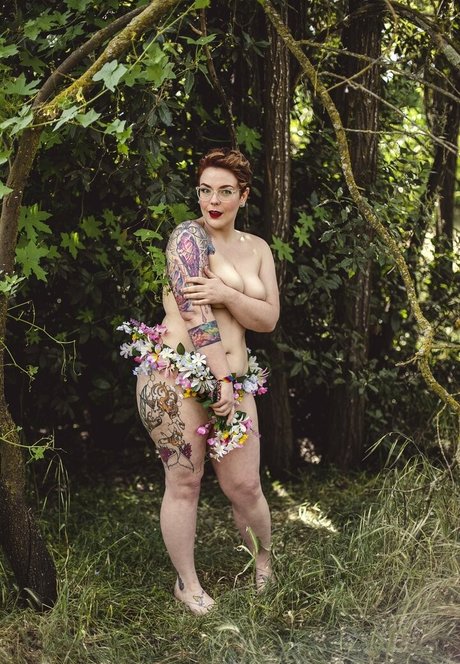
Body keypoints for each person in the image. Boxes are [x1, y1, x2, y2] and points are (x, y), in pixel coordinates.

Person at [135, 147, 280, 614]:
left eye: (225, 191)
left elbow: (268, 319)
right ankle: (188, 584)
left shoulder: (257, 249)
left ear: (244, 195)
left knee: (246, 486)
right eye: (205, 190)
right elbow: (195, 314)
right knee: (185, 481)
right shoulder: (188, 239)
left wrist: (226, 292)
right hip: (177, 377)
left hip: (235, 381)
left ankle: (264, 565)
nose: (213, 201)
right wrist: (219, 379)